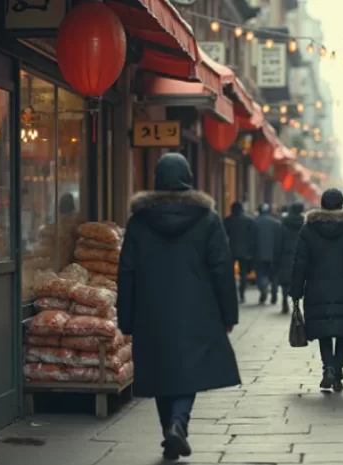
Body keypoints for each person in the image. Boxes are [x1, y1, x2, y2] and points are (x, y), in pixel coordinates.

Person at [116, 153, 241, 461]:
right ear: (188, 178)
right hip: (198, 309)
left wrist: (127, 318)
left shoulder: (139, 221)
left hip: (151, 309)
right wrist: (228, 313)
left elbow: (127, 270)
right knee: (191, 368)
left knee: (161, 370)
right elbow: (222, 268)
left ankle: (169, 429)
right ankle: (178, 422)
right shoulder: (207, 219)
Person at [290, 188, 343, 391]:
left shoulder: (309, 229)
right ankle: (337, 368)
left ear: (322, 204)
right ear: (342, 204)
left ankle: (328, 367)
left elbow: (300, 261)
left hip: (317, 288)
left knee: (324, 331)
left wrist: (296, 291)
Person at [223, 201, 257, 303]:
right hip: (244, 251)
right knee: (243, 273)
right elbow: (252, 237)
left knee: (229, 273)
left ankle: (231, 293)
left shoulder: (227, 220)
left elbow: (223, 236)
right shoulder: (248, 220)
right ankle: (242, 293)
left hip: (231, 250)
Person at [277, 202, 304, 314]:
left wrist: (277, 256)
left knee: (285, 281)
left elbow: (279, 241)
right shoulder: (304, 223)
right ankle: (296, 303)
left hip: (285, 255)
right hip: (300, 255)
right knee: (299, 280)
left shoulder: (283, 223)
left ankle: (284, 301)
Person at [254, 203, 282, 304]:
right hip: (273, 254)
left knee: (261, 274)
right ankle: (274, 295)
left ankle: (263, 288)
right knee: (274, 275)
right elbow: (279, 240)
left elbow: (251, 240)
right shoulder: (276, 223)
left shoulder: (254, 222)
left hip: (258, 254)